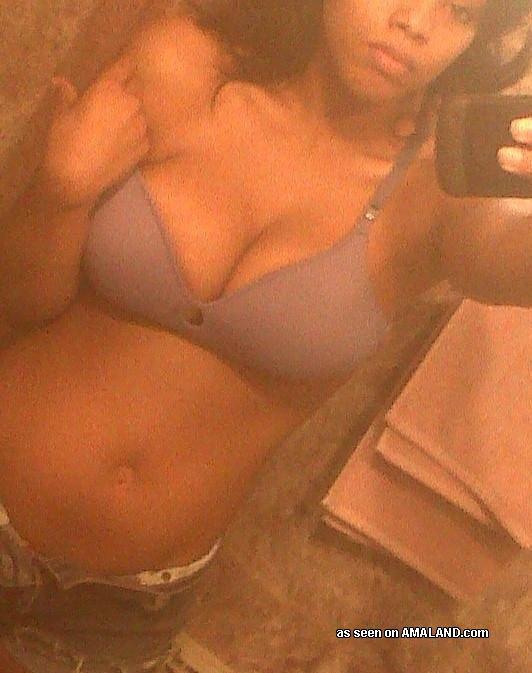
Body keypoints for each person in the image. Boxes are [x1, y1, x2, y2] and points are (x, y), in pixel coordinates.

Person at [0, 0, 530, 671]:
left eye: (461, 12)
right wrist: (59, 191)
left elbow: (510, 264)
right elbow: (20, 302)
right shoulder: (181, 62)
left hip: (123, 609)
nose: (416, 23)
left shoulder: (439, 193)